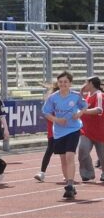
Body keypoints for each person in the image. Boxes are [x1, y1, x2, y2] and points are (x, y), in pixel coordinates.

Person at [41, 71, 88, 200]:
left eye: (65, 82)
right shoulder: (53, 97)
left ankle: (70, 184)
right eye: (60, 82)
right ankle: (69, 183)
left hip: (73, 129)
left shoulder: (76, 96)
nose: (63, 84)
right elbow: (46, 112)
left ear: (70, 83)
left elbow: (85, 105)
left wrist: (79, 114)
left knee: (69, 156)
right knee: (63, 159)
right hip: (59, 132)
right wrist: (56, 120)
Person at [76, 76, 104, 183]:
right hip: (86, 131)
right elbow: (79, 103)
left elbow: (99, 110)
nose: (84, 84)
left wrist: (83, 111)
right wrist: (81, 91)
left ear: (91, 83)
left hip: (100, 131)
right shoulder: (87, 95)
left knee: (102, 156)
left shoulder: (99, 95)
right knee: (82, 150)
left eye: (86, 82)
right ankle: (87, 174)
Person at [34, 80, 58, 182]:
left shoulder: (68, 97)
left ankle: (68, 174)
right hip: (53, 130)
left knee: (66, 153)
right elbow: (47, 114)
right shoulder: (50, 99)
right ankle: (42, 172)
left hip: (66, 130)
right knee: (49, 151)